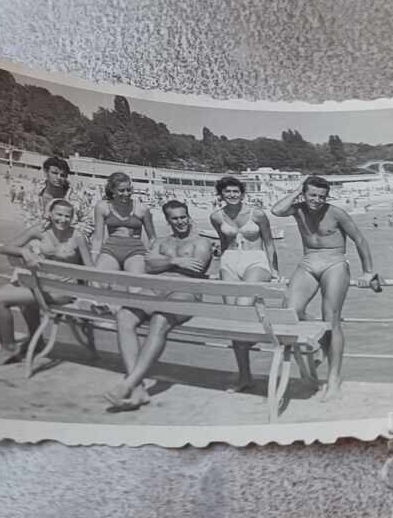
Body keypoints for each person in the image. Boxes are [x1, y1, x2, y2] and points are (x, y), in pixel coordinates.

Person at [271, 176, 377, 402]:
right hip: (308, 262)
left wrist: (368, 272)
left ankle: (334, 379)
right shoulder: (297, 208)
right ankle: (315, 348)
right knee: (290, 312)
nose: (317, 200)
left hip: (335, 263)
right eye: (312, 195)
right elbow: (276, 210)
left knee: (332, 320)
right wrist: (297, 190)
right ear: (304, 193)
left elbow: (359, 239)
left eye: (321, 196)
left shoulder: (336, 213)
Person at [105, 200, 213, 411]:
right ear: (168, 220)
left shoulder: (201, 243)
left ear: (189, 217)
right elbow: (147, 265)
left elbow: (196, 269)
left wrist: (163, 260)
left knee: (160, 319)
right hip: (156, 290)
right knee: (124, 316)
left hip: (185, 292)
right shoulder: (160, 241)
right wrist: (176, 261)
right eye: (175, 218)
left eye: (183, 217)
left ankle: (128, 383)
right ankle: (138, 390)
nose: (181, 222)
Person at [0, 199, 93, 365]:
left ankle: (9, 348)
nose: (63, 219)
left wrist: (88, 297)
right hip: (39, 286)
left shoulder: (77, 237)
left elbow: (91, 269)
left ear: (72, 218)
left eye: (68, 216)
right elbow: (6, 247)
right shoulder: (40, 231)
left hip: (61, 292)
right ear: (50, 214)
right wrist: (24, 251)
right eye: (59, 214)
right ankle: (14, 345)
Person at [208, 176, 279, 393]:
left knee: (242, 309)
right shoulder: (216, 216)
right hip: (229, 263)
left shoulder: (256, 214)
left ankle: (250, 341)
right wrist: (218, 264)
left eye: (235, 191)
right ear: (221, 194)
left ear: (242, 193)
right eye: (227, 192)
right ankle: (245, 376)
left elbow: (268, 241)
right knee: (233, 320)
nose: (232, 195)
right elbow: (223, 242)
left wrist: (275, 270)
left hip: (256, 261)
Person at [91, 172, 156, 276]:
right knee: (99, 280)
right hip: (110, 250)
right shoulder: (102, 207)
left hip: (135, 251)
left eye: (129, 190)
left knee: (136, 285)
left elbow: (152, 238)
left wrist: (152, 256)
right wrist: (93, 260)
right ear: (112, 190)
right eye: (121, 190)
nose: (126, 194)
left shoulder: (142, 209)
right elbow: (98, 238)